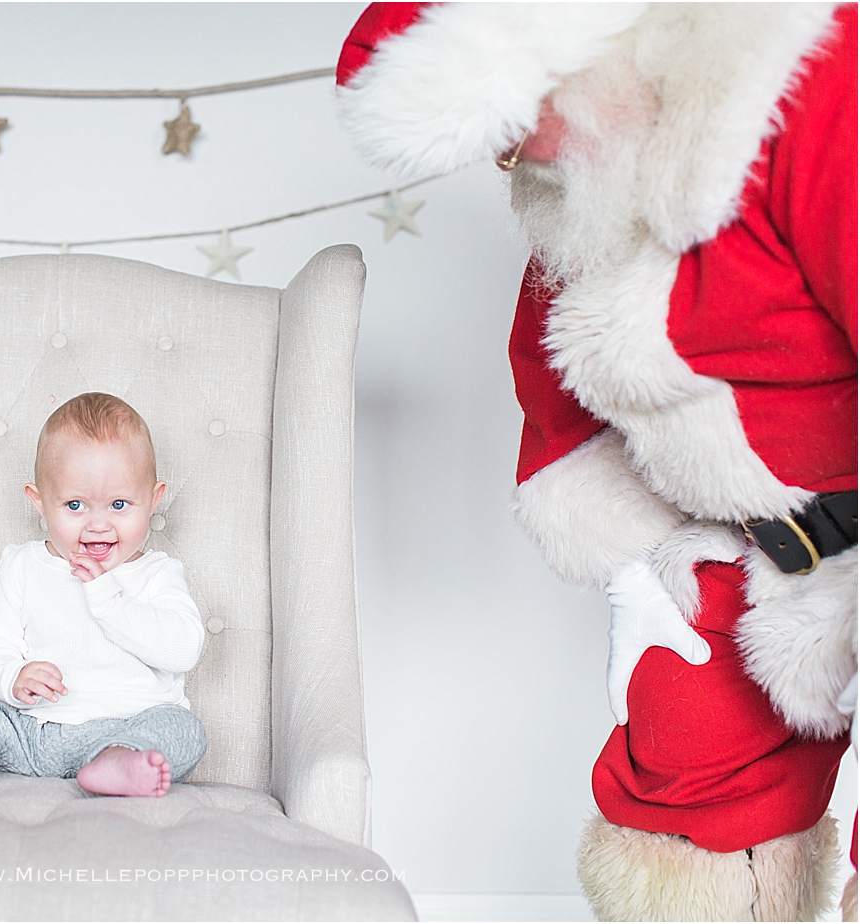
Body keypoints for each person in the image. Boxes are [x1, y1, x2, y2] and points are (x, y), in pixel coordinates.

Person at [335, 3, 856, 918]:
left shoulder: (812, 87)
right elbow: (554, 372)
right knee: (683, 792)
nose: (509, 162)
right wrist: (633, 574)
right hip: (738, 541)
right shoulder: (586, 178)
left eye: (510, 127)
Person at [0, 393, 208, 798]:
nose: (98, 525)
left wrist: (108, 598)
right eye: (74, 505)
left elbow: (183, 650)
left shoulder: (157, 573)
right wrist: (13, 676)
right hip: (32, 729)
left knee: (182, 728)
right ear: (40, 504)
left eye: (119, 504)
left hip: (128, 722)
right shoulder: (22, 565)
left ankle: (119, 763)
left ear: (153, 500)